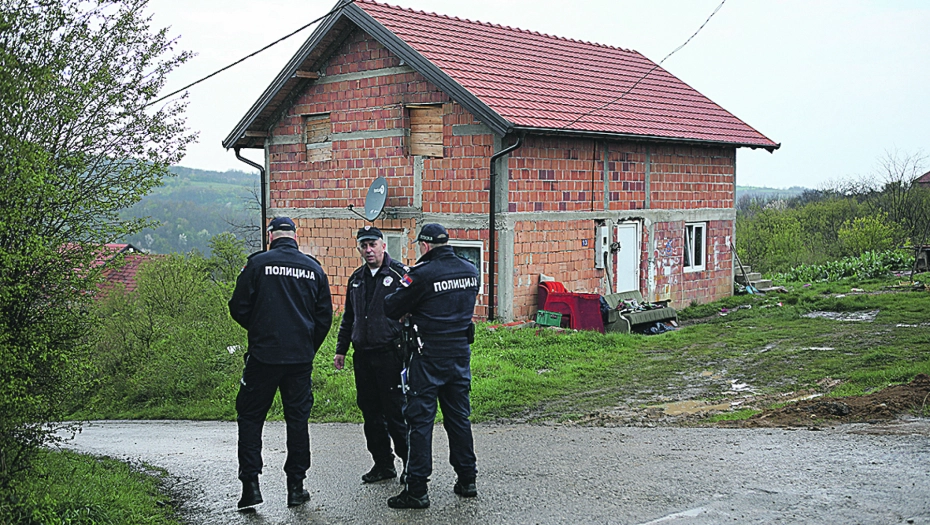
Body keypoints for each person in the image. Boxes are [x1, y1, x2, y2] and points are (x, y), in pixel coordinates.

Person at [228, 217, 333, 509]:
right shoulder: (313, 268)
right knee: (297, 421)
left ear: (270, 236)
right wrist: (307, 345)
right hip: (299, 359)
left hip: (263, 356)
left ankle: (250, 486)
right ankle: (296, 487)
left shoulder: (257, 264)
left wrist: (260, 329)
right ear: (295, 237)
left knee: (250, 418)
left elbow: (237, 307)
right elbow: (324, 317)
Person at [382, 223, 480, 509]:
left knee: (420, 422)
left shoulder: (422, 274)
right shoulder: (470, 270)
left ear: (424, 246)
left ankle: (417, 489)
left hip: (428, 356)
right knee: (459, 418)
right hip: (459, 354)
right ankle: (467, 479)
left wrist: (412, 306)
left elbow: (391, 306)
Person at [334, 225, 409, 484]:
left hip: (390, 355)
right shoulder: (356, 279)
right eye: (363, 246)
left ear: (383, 246)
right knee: (370, 413)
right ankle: (383, 463)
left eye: (372, 245)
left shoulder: (400, 275)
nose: (368, 250)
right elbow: (349, 317)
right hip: (363, 356)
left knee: (396, 412)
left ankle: (410, 464)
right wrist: (341, 349)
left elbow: (415, 312)